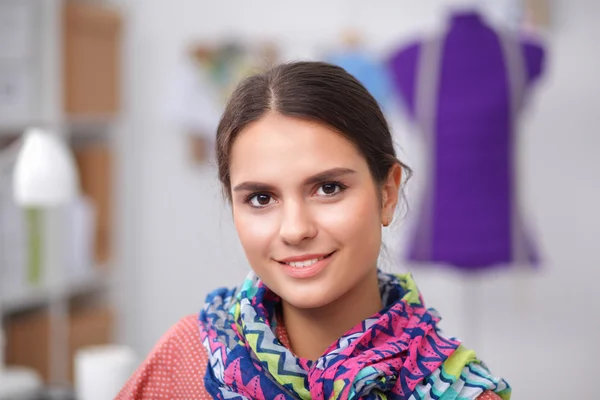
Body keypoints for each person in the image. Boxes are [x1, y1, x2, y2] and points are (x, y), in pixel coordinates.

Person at [117, 61, 510, 399]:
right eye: (260, 198)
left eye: (328, 188)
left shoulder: (460, 391)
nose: (295, 229)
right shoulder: (185, 358)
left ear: (387, 193)